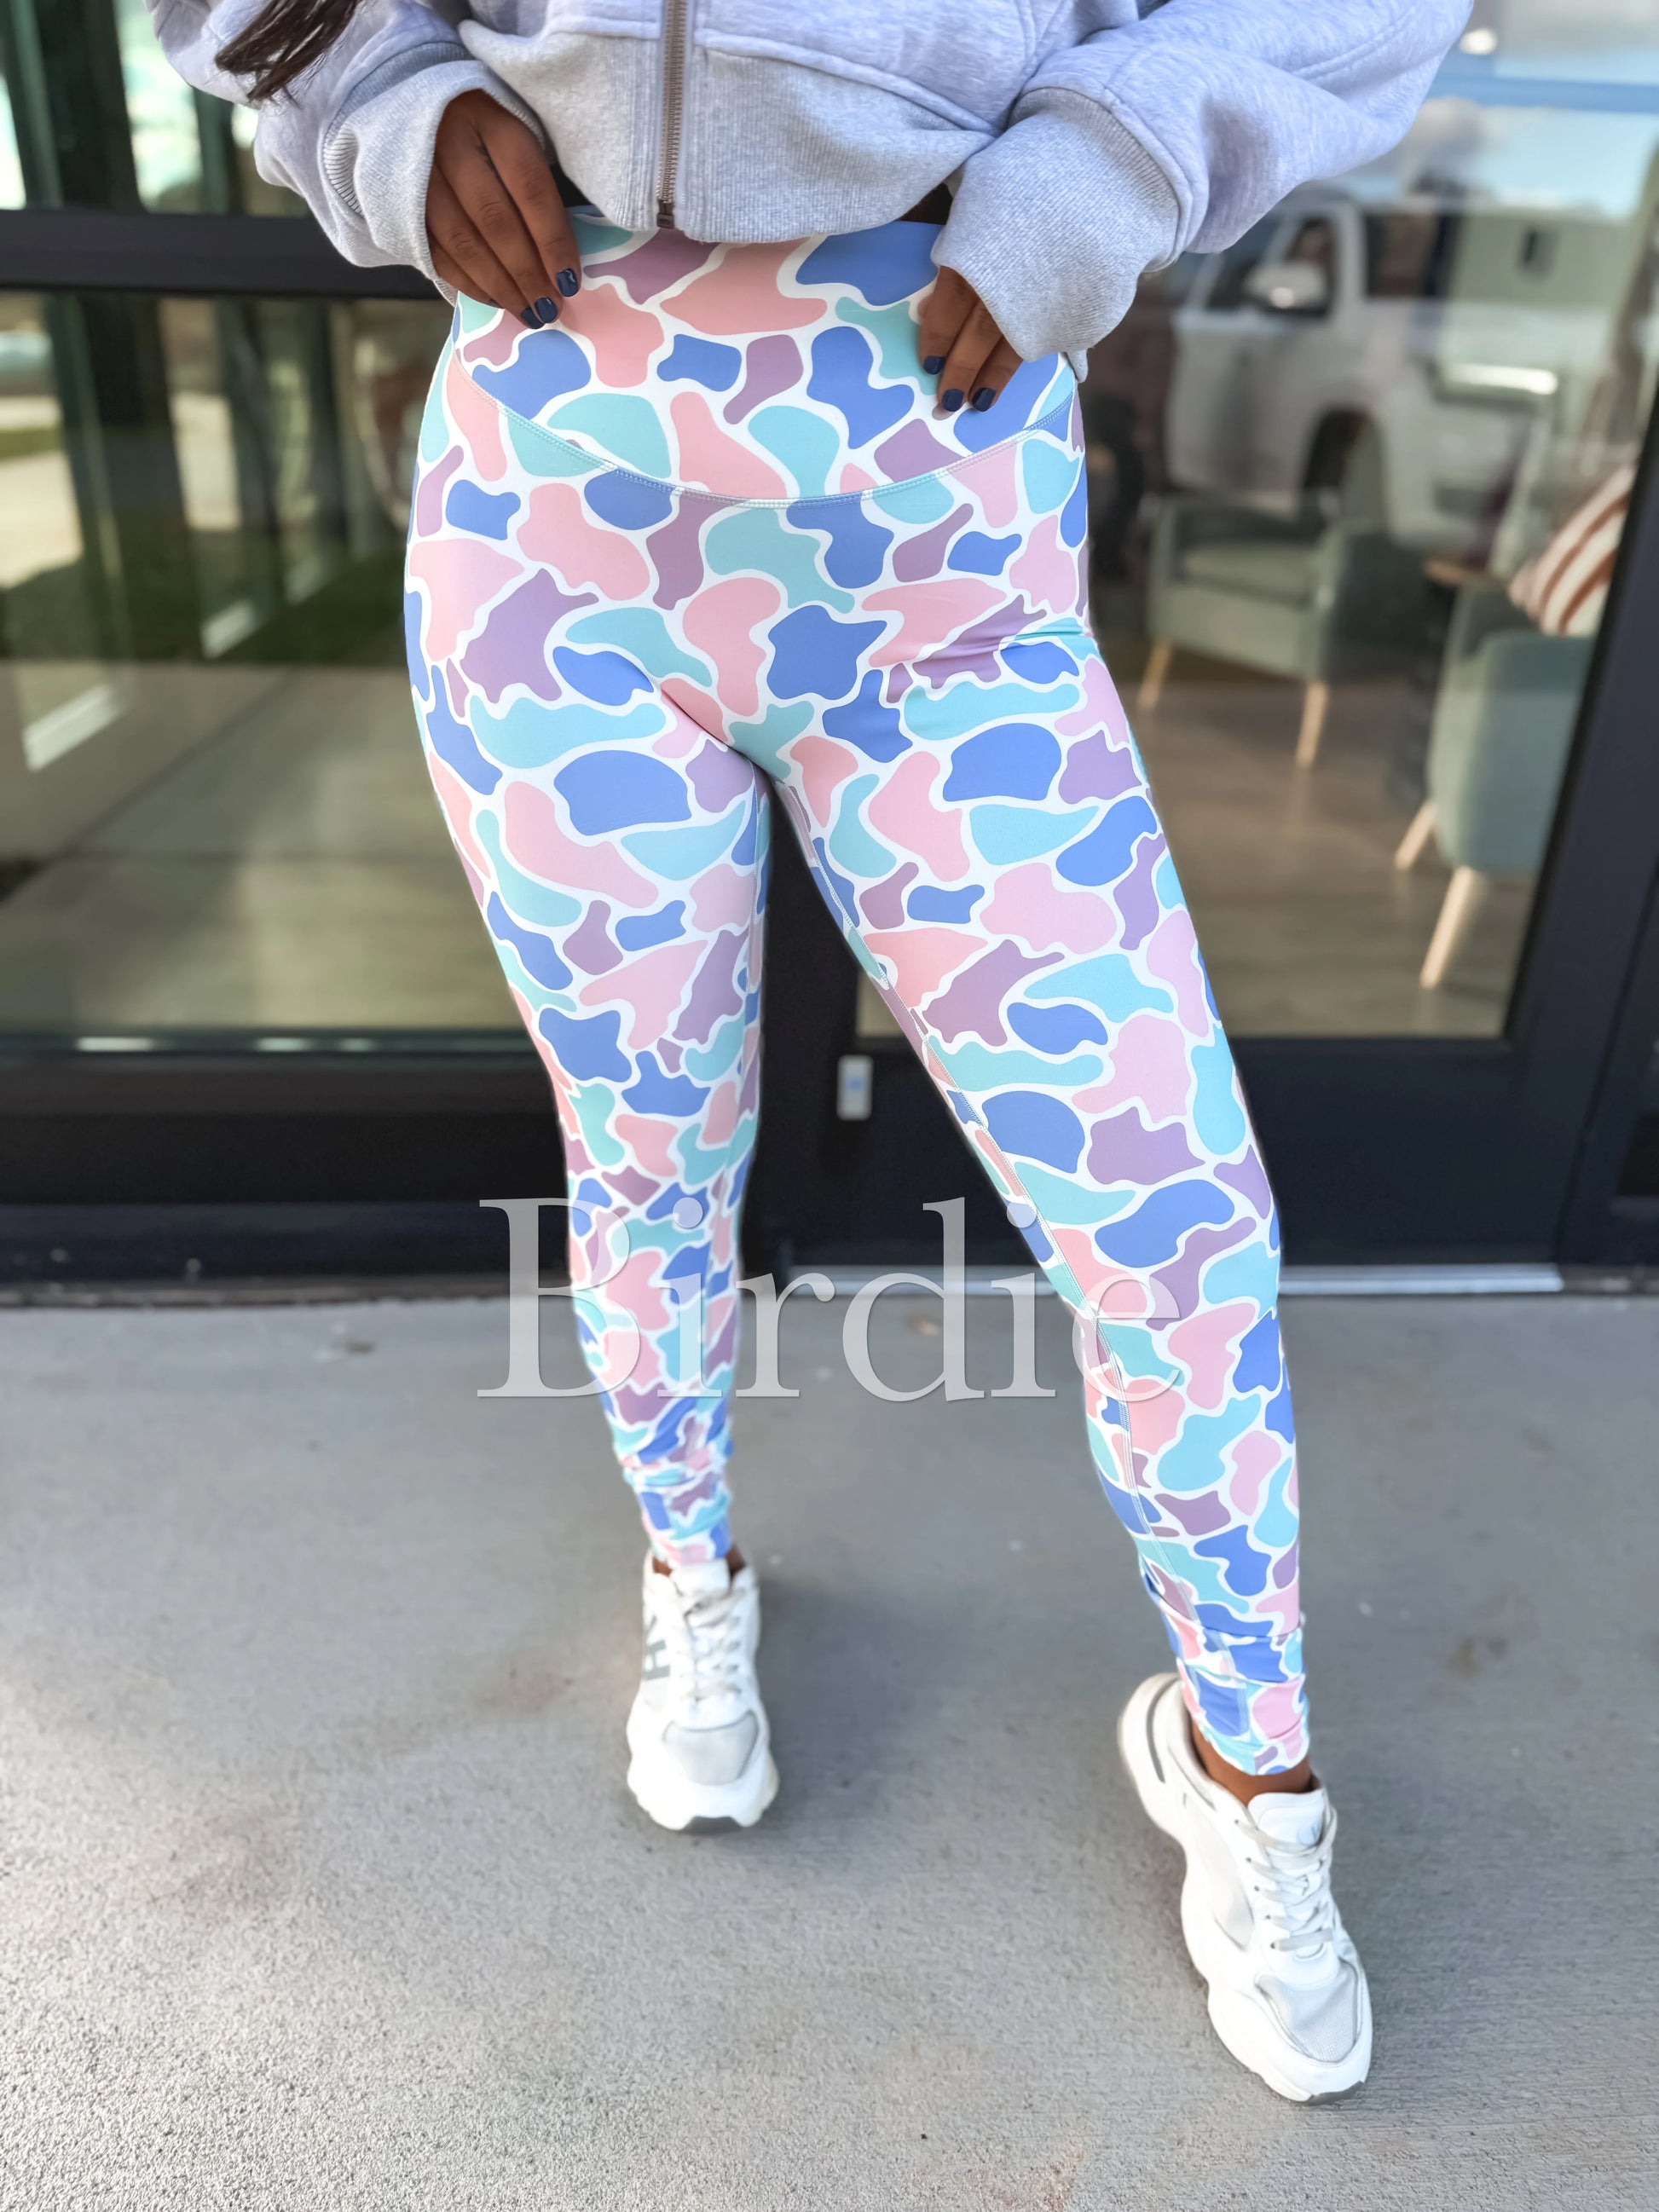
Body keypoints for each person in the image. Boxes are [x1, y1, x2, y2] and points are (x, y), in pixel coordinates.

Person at [154, 0, 1470, 2105]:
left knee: (1170, 1218)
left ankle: (1254, 1768)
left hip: (932, 502)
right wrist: (366, 86)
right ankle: (694, 1574)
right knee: (647, 1144)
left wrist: (1117, 156)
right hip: (555, 514)